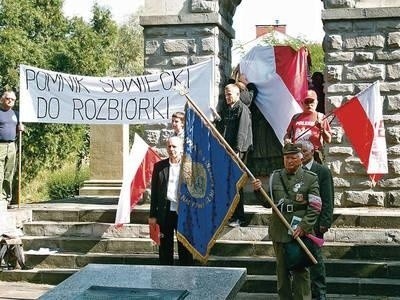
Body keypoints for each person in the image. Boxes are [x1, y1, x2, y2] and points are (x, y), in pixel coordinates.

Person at [253, 143, 321, 300]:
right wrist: (258, 190)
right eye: (286, 158)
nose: (289, 161)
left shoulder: (310, 178)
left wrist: (304, 226)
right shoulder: (275, 176)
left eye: (293, 158)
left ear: (300, 159)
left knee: (300, 274)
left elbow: (315, 206)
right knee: (282, 276)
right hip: (279, 231)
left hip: (299, 232)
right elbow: (268, 202)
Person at [149, 136, 193, 266]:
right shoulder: (159, 167)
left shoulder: (189, 166)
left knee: (184, 246)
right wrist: (152, 215)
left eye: (174, 146)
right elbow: (155, 192)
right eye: (169, 146)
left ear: (181, 149)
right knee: (165, 247)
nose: (171, 149)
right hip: (165, 211)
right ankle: (165, 276)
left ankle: (187, 275)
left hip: (183, 212)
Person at [300, 140, 334, 300]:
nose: (300, 156)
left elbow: (328, 199)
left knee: (316, 261)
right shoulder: (295, 171)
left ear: (311, 152)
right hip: (298, 223)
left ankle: (320, 294)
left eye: (304, 153)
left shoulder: (322, 171)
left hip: (316, 224)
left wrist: (325, 222)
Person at [216, 83, 252, 227]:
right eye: (226, 94)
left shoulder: (242, 109)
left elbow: (242, 131)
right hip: (226, 151)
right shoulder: (226, 110)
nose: (227, 97)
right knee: (227, 184)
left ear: (237, 94)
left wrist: (237, 150)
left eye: (230, 94)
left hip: (238, 152)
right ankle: (230, 215)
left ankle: (239, 217)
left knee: (237, 184)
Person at [284, 90, 331, 164]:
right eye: (306, 102)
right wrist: (286, 140)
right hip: (297, 153)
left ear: (316, 103)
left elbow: (328, 139)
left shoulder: (321, 117)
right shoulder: (296, 117)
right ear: (302, 103)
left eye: (311, 101)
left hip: (314, 154)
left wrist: (321, 128)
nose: (309, 104)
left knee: (315, 175)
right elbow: (288, 134)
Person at [0, 91, 23, 208]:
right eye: (8, 98)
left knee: (9, 172)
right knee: (0, 172)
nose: (10, 101)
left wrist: (21, 128)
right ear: (2, 100)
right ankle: (0, 198)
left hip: (12, 145)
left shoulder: (16, 114)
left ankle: (6, 197)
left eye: (13, 99)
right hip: (1, 145)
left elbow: (18, 128)